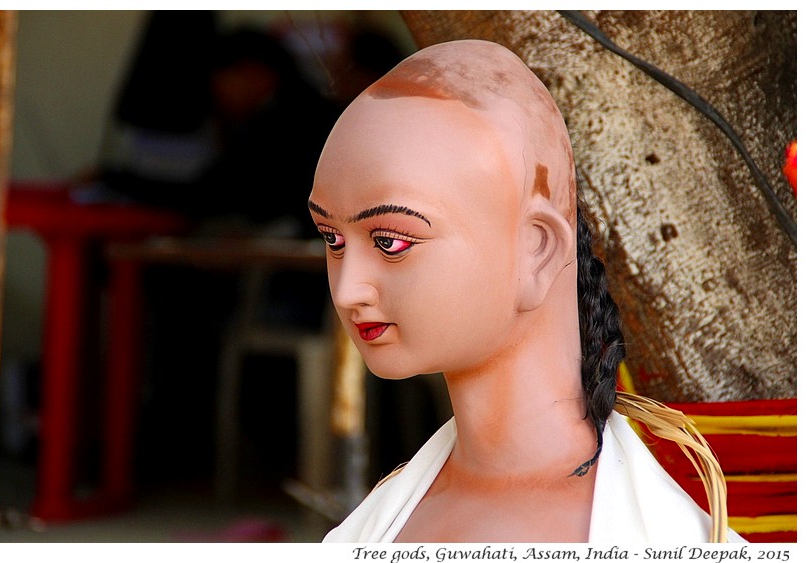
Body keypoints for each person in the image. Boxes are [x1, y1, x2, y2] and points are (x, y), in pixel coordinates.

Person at [309, 40, 745, 543]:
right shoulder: (381, 520)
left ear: (536, 248)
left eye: (390, 242)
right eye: (332, 239)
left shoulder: (661, 539)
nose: (347, 290)